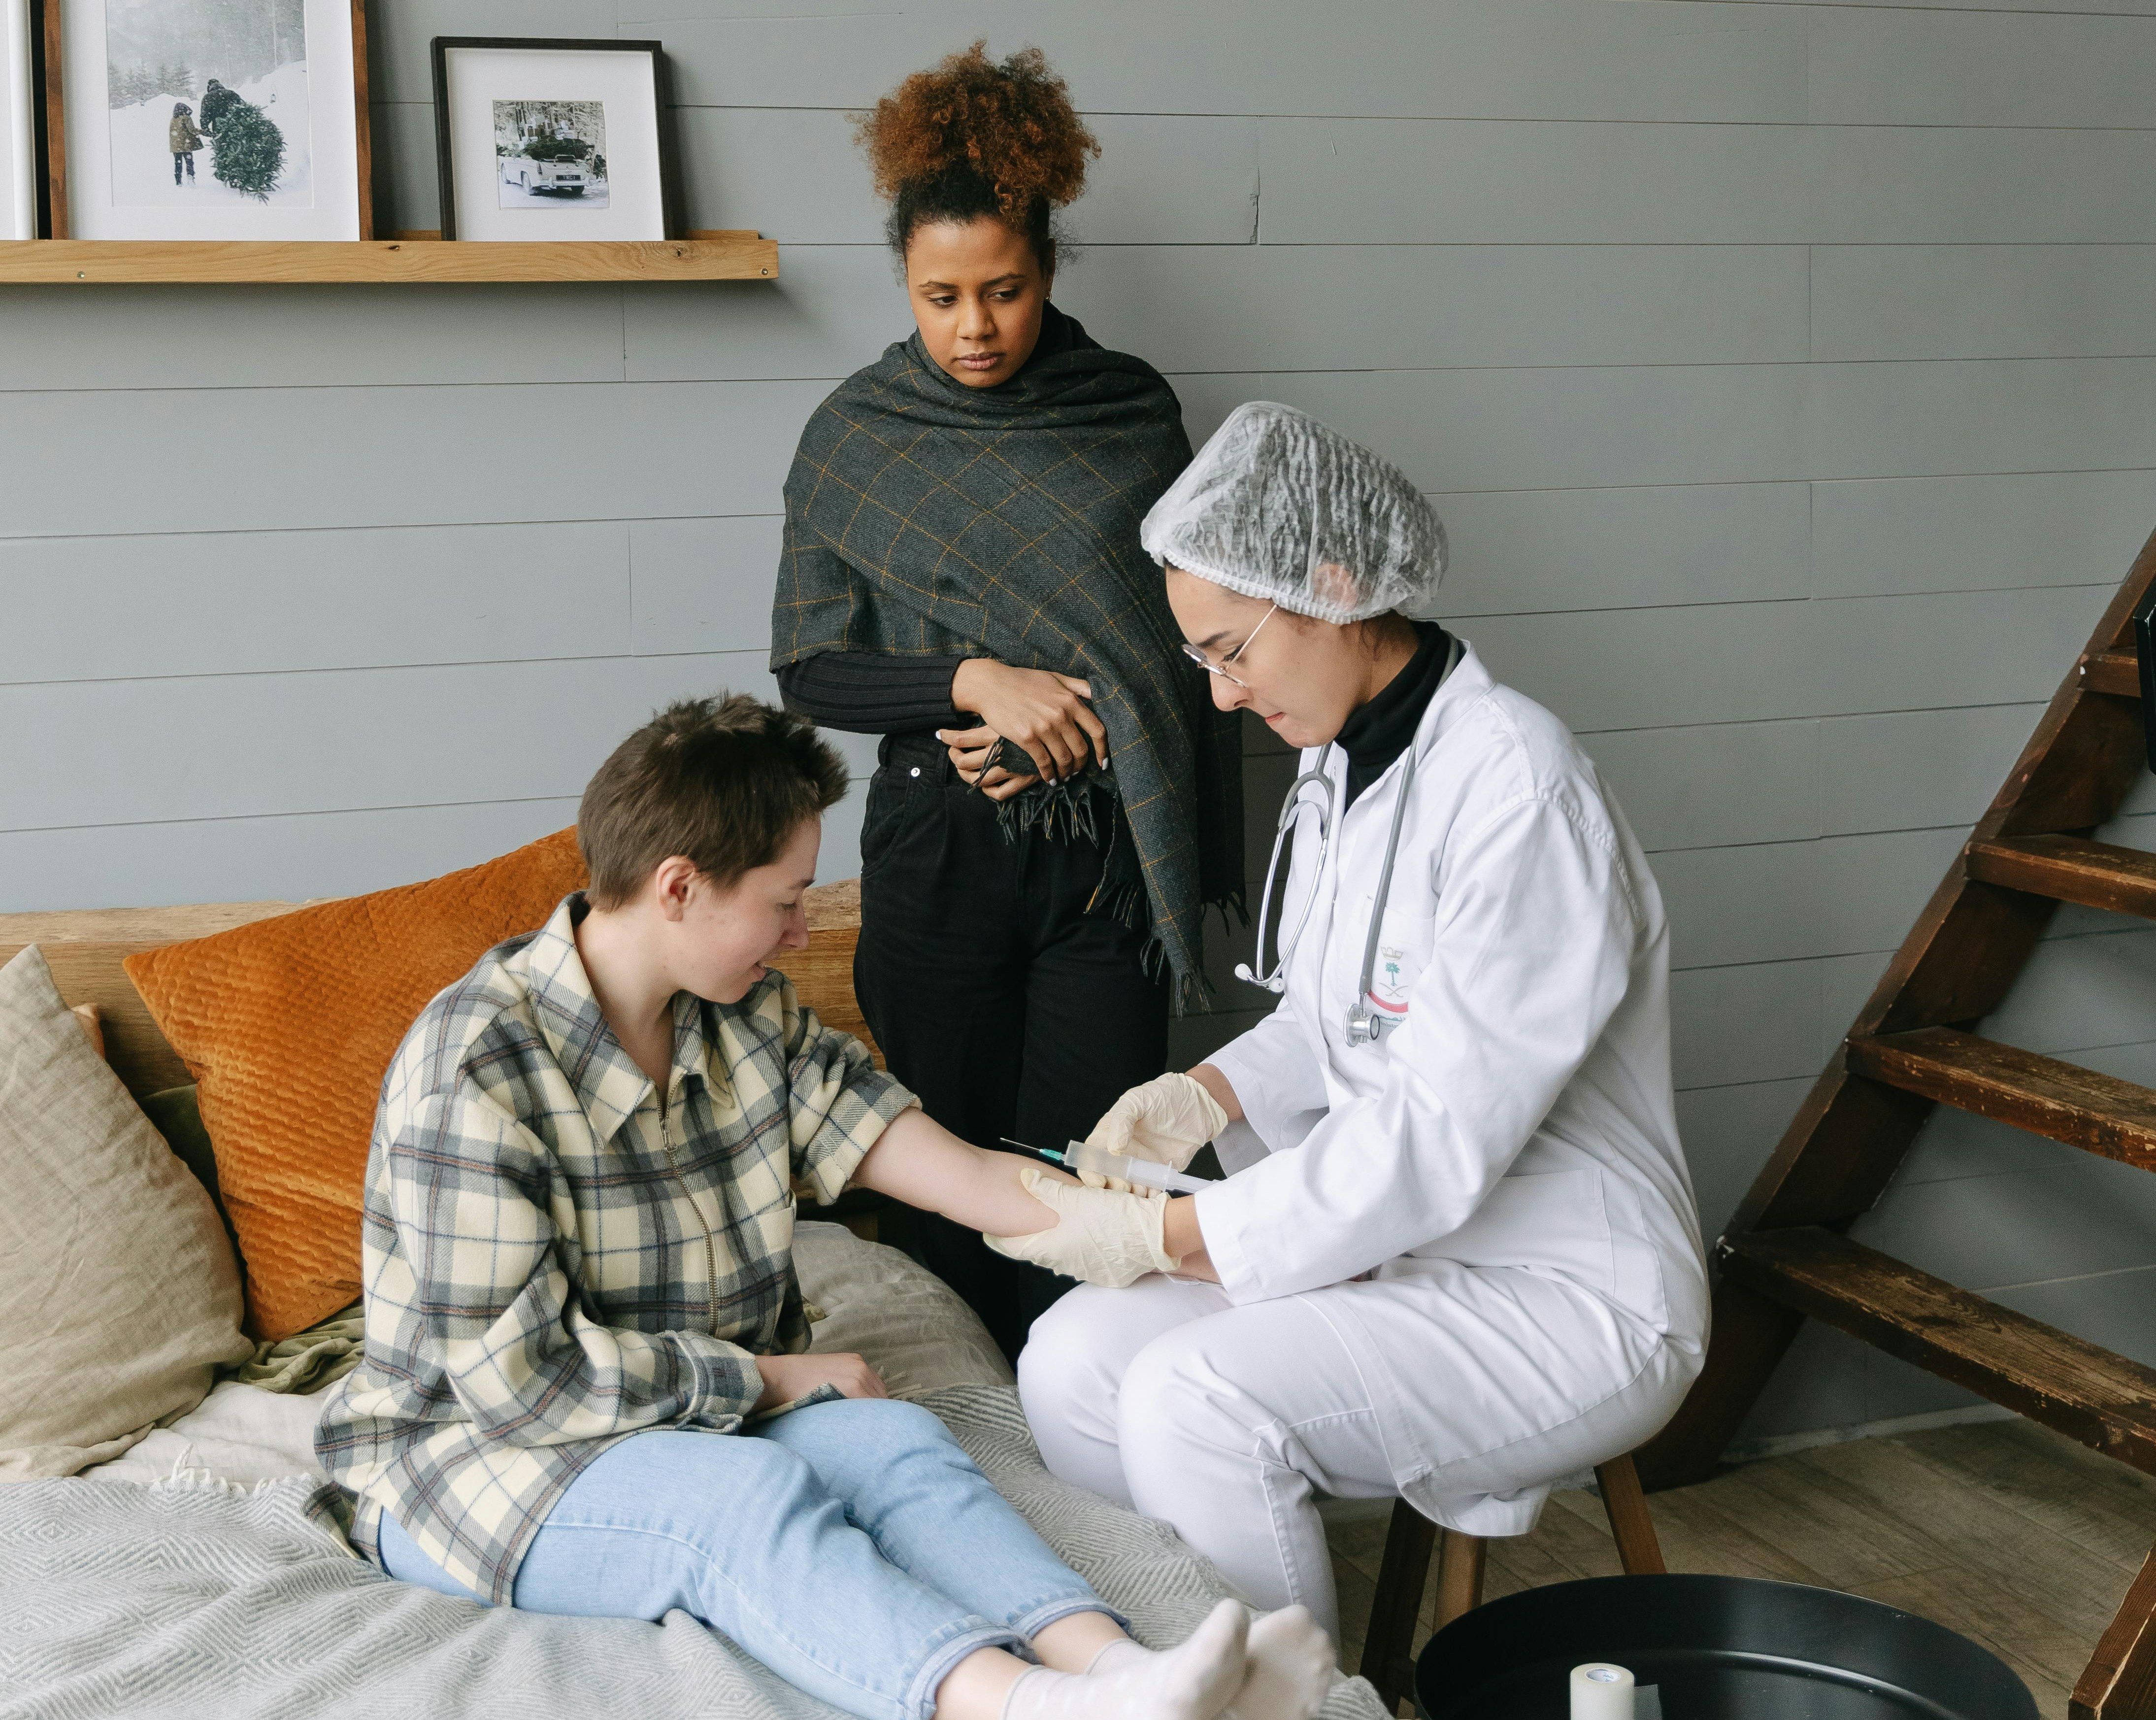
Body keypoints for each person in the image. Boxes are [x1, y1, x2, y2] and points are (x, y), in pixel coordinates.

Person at [314, 692, 1333, 1720]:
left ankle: (1120, 1669)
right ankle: (1030, 1706)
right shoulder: (478, 1065)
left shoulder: (746, 1020)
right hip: (481, 1454)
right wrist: (762, 1375)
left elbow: (968, 1177)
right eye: (786, 898)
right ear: (679, 887)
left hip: (690, 1417)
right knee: (746, 1500)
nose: (804, 929)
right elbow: (519, 1380)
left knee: (897, 1441)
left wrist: (1171, 1233)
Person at [987, 405, 1712, 1644]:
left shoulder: (1515, 787)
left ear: (1329, 584)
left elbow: (1437, 1128)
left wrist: (1176, 1231)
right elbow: (1346, 1021)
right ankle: (1177, 1676)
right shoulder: (1342, 766)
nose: (1218, 698)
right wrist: (1202, 1093)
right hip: (1409, 1250)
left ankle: (1290, 1700)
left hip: (1566, 1289)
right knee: (1066, 1358)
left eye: (1230, 651)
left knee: (1193, 1398)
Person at [770, 43, 1241, 1362]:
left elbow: (1185, 645)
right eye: (940, 296)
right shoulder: (856, 435)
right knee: (939, 1173)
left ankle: (1081, 1443)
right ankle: (970, 1438)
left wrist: (1080, 723)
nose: (973, 325)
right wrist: (973, 682)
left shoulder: (1131, 412)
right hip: (938, 850)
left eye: (1004, 291)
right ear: (904, 287)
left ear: (1046, 270)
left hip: (1104, 861)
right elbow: (808, 666)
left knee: (1095, 1180)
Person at [169, 102, 201, 185]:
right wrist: (202, 132)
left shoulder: (173, 119)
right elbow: (192, 130)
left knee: (178, 163)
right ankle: (190, 177)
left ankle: (178, 181)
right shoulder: (186, 118)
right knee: (189, 162)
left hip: (176, 147)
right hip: (186, 145)